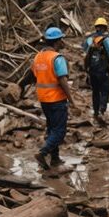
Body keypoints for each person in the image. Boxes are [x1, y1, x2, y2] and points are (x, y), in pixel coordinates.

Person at [30, 27, 78, 171]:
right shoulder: (57, 58)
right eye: (61, 39)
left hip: (43, 98)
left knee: (52, 129)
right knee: (59, 131)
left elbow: (34, 74)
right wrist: (71, 99)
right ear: (57, 42)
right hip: (56, 99)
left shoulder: (38, 56)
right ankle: (42, 153)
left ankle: (55, 159)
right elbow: (62, 80)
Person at [82, 18, 109, 124]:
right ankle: (102, 110)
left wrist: (86, 69)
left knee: (95, 92)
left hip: (92, 70)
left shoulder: (89, 39)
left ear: (96, 27)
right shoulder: (106, 39)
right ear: (105, 27)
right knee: (105, 90)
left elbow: (85, 55)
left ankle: (96, 112)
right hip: (102, 70)